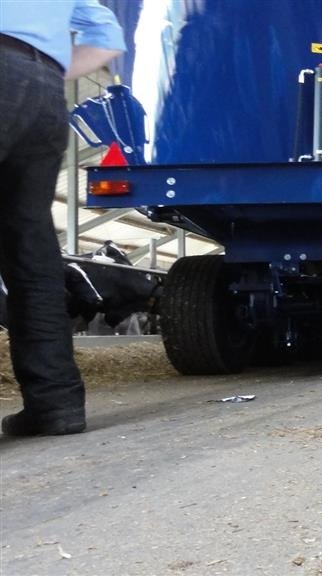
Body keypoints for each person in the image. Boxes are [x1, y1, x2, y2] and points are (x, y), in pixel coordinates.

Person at [0, 1, 125, 436]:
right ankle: (56, 405)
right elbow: (108, 37)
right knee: (31, 252)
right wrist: (42, 68)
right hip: (45, 91)